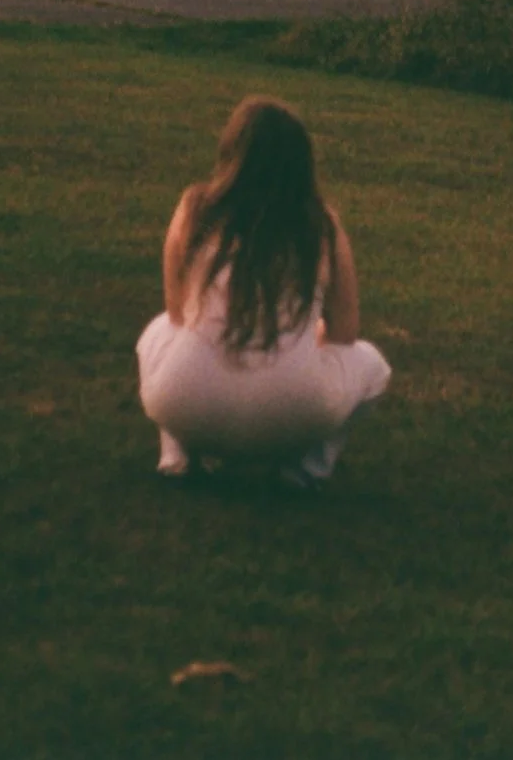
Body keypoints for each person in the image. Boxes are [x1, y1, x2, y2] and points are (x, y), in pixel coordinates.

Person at [135, 96, 390, 486]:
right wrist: (312, 341)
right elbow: (345, 332)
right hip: (292, 413)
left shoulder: (195, 208)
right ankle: (305, 471)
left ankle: (177, 456)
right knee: (373, 366)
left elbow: (176, 311)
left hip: (184, 401)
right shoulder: (321, 225)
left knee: (157, 332)